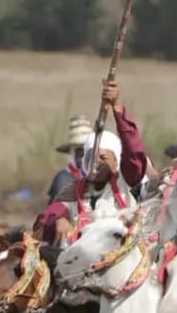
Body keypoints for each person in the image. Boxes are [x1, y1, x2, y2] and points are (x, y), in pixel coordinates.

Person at [34, 83, 149, 244]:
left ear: (116, 162)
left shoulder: (127, 183)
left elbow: (133, 152)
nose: (96, 162)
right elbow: (46, 218)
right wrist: (59, 220)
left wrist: (117, 107)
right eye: (91, 157)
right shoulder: (73, 191)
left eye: (103, 158)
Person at [46, 115, 93, 205]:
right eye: (80, 153)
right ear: (72, 154)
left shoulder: (100, 175)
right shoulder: (63, 180)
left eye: (88, 152)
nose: (84, 158)